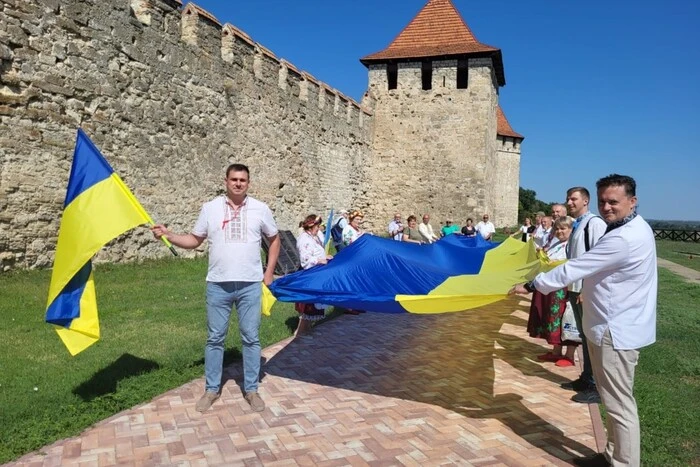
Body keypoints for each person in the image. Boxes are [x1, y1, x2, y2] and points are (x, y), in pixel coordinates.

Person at [510, 174, 657, 467]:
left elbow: (575, 267)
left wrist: (531, 285)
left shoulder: (623, 238)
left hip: (616, 330)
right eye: (603, 201)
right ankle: (612, 455)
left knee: (618, 405)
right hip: (615, 324)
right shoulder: (634, 227)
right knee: (613, 400)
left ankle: (624, 463)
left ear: (632, 201)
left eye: (613, 201)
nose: (606, 207)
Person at [151, 163, 280, 414]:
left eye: (243, 180)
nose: (238, 183)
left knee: (251, 338)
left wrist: (269, 272)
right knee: (214, 339)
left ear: (248, 183)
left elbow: (274, 240)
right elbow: (194, 240)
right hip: (218, 285)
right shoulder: (210, 209)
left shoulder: (260, 209)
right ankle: (211, 389)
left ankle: (251, 389)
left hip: (250, 285)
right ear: (226, 181)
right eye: (234, 179)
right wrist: (169, 235)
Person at [562, 186, 607, 404]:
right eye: (568, 199)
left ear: (586, 201)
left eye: (574, 199)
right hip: (575, 288)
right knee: (585, 336)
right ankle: (587, 378)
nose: (569, 202)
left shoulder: (594, 224)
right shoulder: (576, 224)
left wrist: (587, 289)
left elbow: (599, 260)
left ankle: (596, 385)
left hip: (584, 290)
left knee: (592, 338)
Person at [525, 216, 578, 367]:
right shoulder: (557, 244)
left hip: (563, 288)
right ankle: (556, 351)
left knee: (564, 319)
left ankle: (569, 355)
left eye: (564, 228)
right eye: (558, 229)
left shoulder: (572, 246)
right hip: (552, 287)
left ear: (571, 230)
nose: (560, 231)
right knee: (552, 319)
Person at [295, 214, 332, 337]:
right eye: (317, 226)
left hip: (315, 275)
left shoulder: (314, 237)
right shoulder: (304, 239)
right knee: (307, 309)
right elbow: (305, 259)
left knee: (312, 310)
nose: (319, 228)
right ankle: (299, 335)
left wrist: (324, 257)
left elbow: (317, 252)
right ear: (311, 226)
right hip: (309, 276)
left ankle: (306, 333)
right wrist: (319, 260)